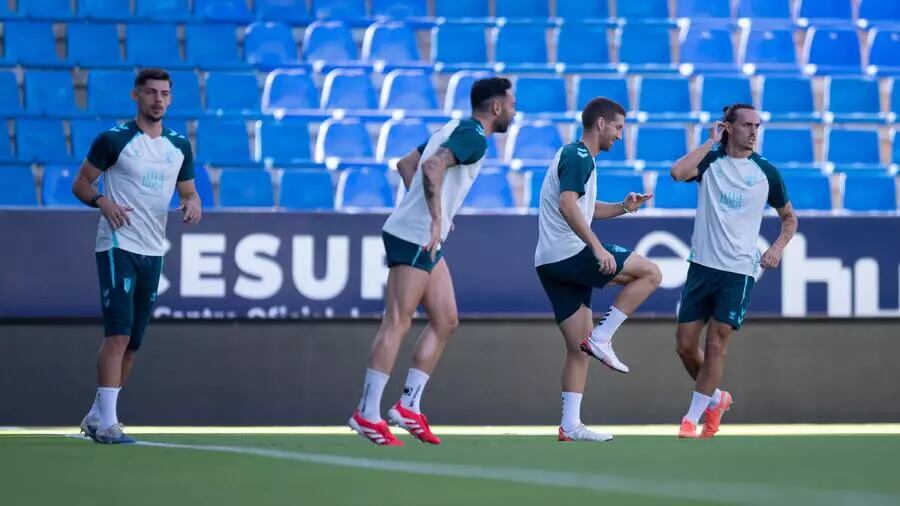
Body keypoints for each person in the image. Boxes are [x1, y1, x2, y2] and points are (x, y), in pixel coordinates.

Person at [348, 77, 516, 446]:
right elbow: (430, 168)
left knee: (446, 319)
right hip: (415, 236)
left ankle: (408, 405)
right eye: (512, 104)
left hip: (421, 236)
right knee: (397, 322)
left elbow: (405, 163)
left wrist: (430, 212)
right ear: (497, 107)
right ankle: (366, 413)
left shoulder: (453, 127)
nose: (514, 111)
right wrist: (435, 216)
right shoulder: (474, 138)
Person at [72, 68, 202, 444]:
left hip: (152, 249)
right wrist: (102, 202)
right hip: (116, 245)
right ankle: (109, 425)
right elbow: (81, 183)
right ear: (136, 97)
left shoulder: (179, 145)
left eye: (164, 94)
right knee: (117, 334)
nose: (158, 99)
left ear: (171, 99)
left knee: (133, 343)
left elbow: (188, 192)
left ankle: (98, 415)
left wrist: (193, 204)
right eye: (150, 93)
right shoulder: (114, 139)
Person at [534, 97, 661, 442]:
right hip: (568, 253)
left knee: (579, 349)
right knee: (651, 273)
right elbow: (567, 205)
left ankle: (570, 425)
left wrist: (623, 207)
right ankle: (604, 336)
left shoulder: (579, 159)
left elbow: (582, 208)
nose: (621, 135)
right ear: (601, 123)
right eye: (618, 127)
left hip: (549, 262)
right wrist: (596, 246)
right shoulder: (578, 156)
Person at [669, 104, 797, 439]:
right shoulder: (711, 160)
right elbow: (677, 173)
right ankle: (716, 399)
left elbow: (789, 218)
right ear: (728, 127)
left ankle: (691, 418)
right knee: (685, 346)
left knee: (715, 345)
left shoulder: (766, 171)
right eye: (746, 126)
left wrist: (776, 248)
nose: (754, 132)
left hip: (738, 271)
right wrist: (710, 142)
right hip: (701, 266)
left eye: (757, 126)